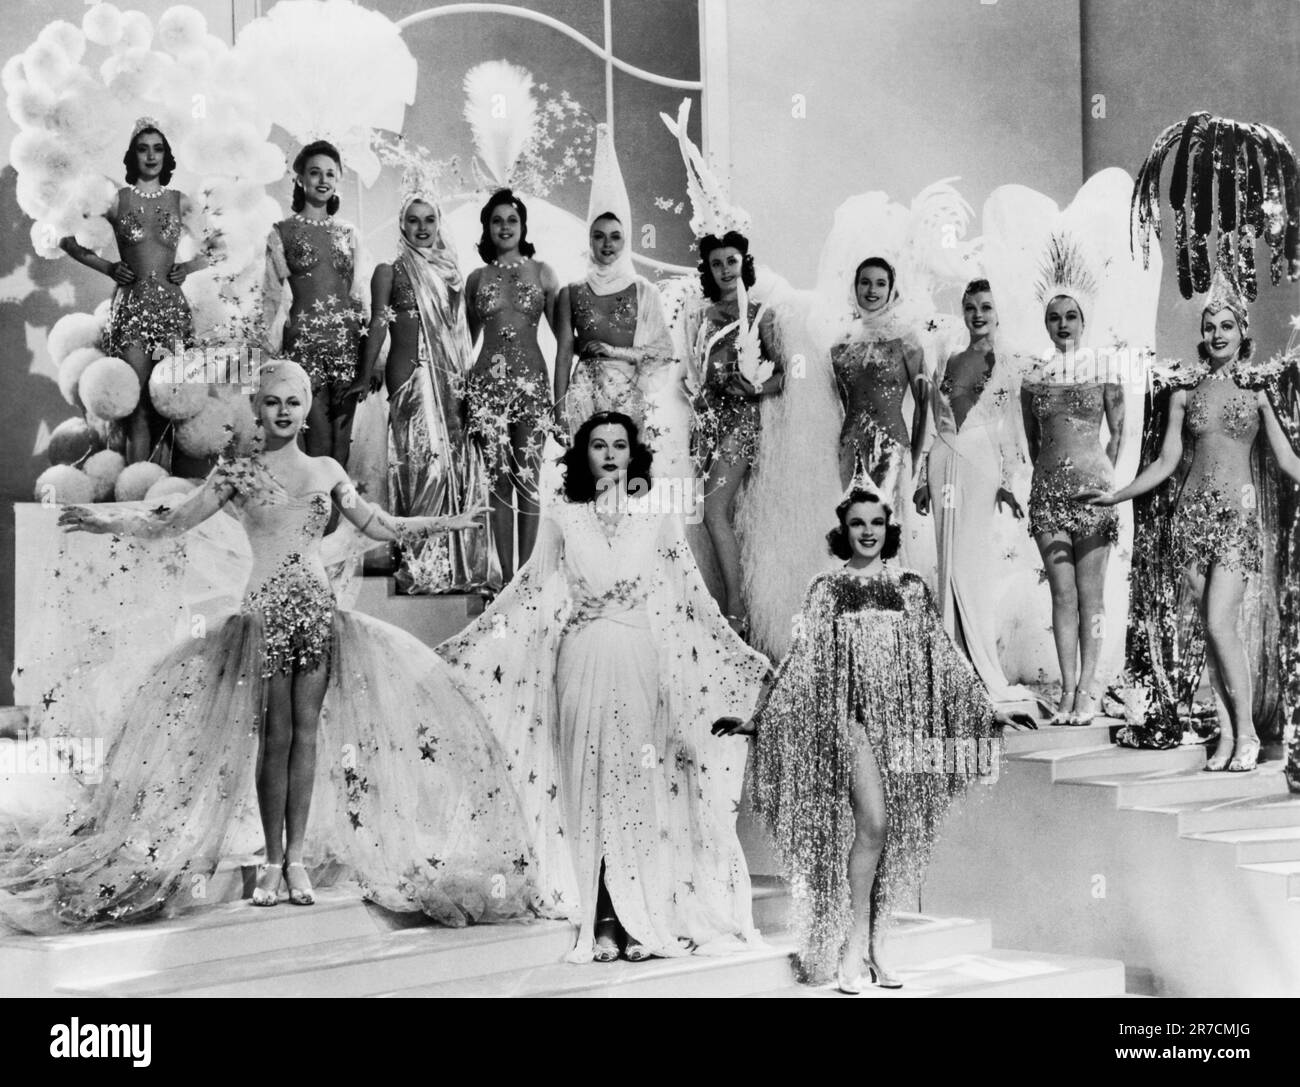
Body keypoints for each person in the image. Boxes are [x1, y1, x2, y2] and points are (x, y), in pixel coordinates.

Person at [0, 360, 532, 933]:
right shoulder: (237, 470)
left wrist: (449, 523)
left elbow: (376, 524)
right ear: (257, 409)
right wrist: (111, 522)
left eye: (294, 402)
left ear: (305, 411)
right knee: (273, 739)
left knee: (306, 736)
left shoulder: (328, 469)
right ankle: (271, 862)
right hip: (263, 618)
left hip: (319, 614)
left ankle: (296, 859)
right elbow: (176, 520)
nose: (283, 411)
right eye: (273, 401)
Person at [438, 410, 769, 963]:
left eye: (620, 444)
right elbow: (529, 586)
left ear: (633, 453)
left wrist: (737, 650)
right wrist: (470, 645)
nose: (610, 453)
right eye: (598, 445)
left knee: (633, 787)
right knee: (584, 783)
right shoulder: (564, 512)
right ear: (583, 454)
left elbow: (689, 592)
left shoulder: (654, 512)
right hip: (580, 657)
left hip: (638, 657)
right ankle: (601, 920)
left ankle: (638, 916)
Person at [715, 489, 1023, 991]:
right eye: (857, 523)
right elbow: (803, 661)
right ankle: (854, 941)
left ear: (887, 527)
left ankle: (878, 943)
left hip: (900, 725)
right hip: (850, 723)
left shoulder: (911, 587)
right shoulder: (826, 589)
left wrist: (987, 711)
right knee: (874, 824)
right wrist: (762, 718)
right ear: (845, 529)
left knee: (893, 836)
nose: (867, 532)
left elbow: (943, 655)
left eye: (875, 523)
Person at [1077, 269, 1300, 770]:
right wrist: (1116, 495)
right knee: (1211, 630)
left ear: (1243, 332)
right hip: (1190, 523)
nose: (1216, 335)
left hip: (1237, 523)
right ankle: (1225, 736)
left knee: (1222, 626)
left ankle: (1246, 734)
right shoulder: (1184, 394)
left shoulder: (1258, 394)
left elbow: (1287, 461)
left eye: (1226, 326)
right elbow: (1164, 463)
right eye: (1209, 326)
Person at [350, 192, 499, 594]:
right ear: (402, 225)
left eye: (429, 219)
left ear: (438, 223)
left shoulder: (452, 274)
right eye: (413, 220)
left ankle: (455, 566)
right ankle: (421, 565)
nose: (421, 228)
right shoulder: (389, 269)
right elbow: (378, 322)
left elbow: (464, 329)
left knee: (454, 466)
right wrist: (366, 374)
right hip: (410, 375)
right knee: (422, 466)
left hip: (450, 379)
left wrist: (471, 377)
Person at [914, 279, 1042, 712]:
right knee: (946, 562)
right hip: (942, 463)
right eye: (970, 307)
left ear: (997, 311)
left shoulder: (1008, 364)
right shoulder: (947, 360)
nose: (977, 314)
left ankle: (979, 664)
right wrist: (918, 480)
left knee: (970, 563)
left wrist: (1008, 479)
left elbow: (1013, 428)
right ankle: (951, 665)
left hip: (981, 462)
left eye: (985, 306)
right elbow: (934, 422)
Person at [59, 118, 207, 464]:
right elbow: (67, 237)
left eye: (158, 148)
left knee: (171, 405)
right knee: (136, 406)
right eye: (143, 148)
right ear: (133, 155)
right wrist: (108, 267)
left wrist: (188, 266)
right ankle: (136, 494)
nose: (151, 155)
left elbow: (219, 244)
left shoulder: (180, 201)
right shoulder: (115, 201)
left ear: (166, 155)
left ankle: (164, 497)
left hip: (172, 312)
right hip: (132, 313)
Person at [1021, 256, 1125, 725]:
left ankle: (1088, 690)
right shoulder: (1033, 376)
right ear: (1045, 324)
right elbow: (1032, 439)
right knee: (1061, 595)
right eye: (1054, 318)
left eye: (1071, 317)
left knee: (1092, 597)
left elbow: (1119, 432)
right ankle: (1066, 689)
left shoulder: (1105, 368)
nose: (1063, 325)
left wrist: (1104, 482)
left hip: (1093, 494)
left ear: (1084, 321)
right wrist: (1047, 479)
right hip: (1047, 493)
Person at [690, 231, 786, 634]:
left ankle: (737, 608)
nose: (725, 270)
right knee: (713, 514)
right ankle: (724, 598)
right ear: (709, 270)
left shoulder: (762, 314)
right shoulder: (701, 317)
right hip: (707, 421)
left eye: (732, 261)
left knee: (714, 510)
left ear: (743, 262)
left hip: (743, 423)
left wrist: (757, 387)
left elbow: (784, 374)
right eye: (717, 263)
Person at [462, 189, 560, 581]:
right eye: (497, 220)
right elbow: (463, 343)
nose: (505, 227)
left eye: (512, 220)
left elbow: (564, 338)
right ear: (487, 227)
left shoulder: (543, 272)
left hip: (531, 383)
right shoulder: (475, 278)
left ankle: (529, 575)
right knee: (498, 479)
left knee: (529, 477)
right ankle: (505, 577)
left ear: (522, 227)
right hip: (486, 385)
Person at [554, 124, 674, 437]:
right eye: (599, 236)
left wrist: (614, 352)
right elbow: (564, 354)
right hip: (583, 394)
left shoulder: (643, 291)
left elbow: (662, 353)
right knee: (586, 479)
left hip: (628, 393)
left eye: (616, 237)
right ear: (589, 239)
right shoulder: (572, 291)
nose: (607, 245)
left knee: (624, 477)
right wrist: (559, 410)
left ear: (626, 240)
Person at [262, 140, 366, 464]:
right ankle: (318, 516)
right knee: (318, 448)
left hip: (347, 346)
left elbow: (360, 294)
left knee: (341, 450)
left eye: (330, 174)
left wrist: (369, 360)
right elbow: (270, 296)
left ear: (338, 180)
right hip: (304, 348)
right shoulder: (282, 232)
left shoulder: (350, 233)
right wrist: (265, 357)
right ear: (300, 178)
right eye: (314, 173)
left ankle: (338, 516)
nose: (322, 180)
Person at [832, 256, 929, 492]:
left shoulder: (906, 338)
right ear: (855, 287)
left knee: (888, 523)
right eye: (865, 282)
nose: (872, 290)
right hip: (849, 449)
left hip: (892, 448)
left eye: (880, 283)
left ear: (891, 289)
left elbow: (924, 404)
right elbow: (843, 402)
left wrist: (917, 457)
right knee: (852, 522)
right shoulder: (841, 341)